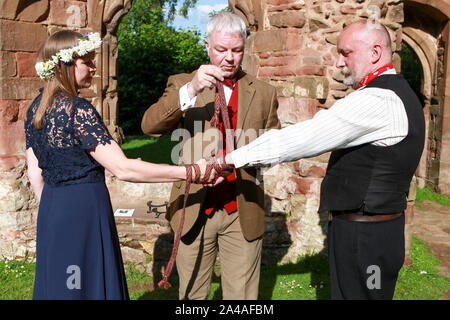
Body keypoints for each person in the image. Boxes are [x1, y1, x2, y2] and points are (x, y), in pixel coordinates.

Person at [223, 20, 425, 300]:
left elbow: (303, 137)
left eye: (346, 53)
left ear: (375, 52)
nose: (339, 63)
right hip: (374, 233)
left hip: (366, 240)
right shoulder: (397, 93)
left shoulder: (378, 101)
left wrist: (229, 159)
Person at [25, 30, 218, 300]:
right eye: (88, 62)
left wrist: (56, 212)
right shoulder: (77, 109)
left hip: (52, 209)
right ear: (65, 65)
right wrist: (191, 171)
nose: (94, 68)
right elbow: (123, 168)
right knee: (86, 282)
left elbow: (35, 174)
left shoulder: (35, 109)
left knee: (66, 283)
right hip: (84, 212)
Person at [141, 12, 280, 300]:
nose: (229, 58)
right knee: (192, 296)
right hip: (193, 206)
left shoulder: (264, 92)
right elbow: (149, 127)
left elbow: (274, 147)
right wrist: (191, 89)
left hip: (242, 207)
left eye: (237, 50)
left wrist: (249, 157)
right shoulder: (181, 83)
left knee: (241, 299)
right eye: (221, 50)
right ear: (207, 46)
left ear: (244, 48)